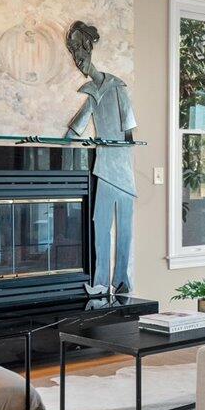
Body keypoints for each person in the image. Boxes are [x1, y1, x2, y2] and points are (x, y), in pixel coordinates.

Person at [64, 21, 136, 296]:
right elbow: (76, 126)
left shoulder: (117, 87)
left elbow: (129, 126)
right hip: (103, 168)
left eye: (80, 56)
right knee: (101, 225)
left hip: (123, 169)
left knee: (125, 227)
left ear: (89, 50)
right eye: (74, 57)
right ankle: (100, 282)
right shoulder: (92, 93)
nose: (79, 62)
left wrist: (126, 144)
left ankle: (122, 280)